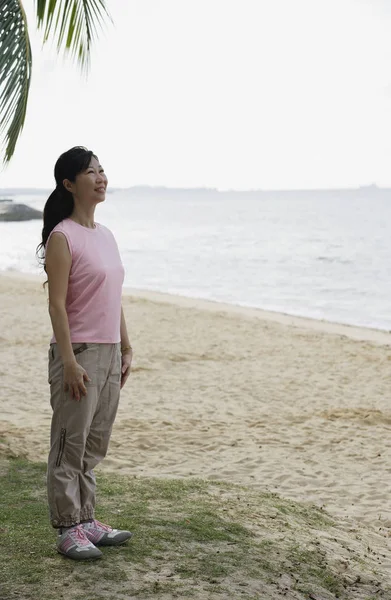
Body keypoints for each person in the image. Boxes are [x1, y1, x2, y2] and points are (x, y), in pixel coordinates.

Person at [36, 146, 133, 560]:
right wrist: (71, 363)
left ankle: (88, 520)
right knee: (68, 443)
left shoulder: (106, 234)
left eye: (102, 170)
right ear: (69, 183)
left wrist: (126, 345)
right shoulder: (62, 236)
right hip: (78, 353)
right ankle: (67, 528)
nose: (100, 177)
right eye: (91, 172)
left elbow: (115, 295)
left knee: (95, 443)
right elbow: (57, 305)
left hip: (109, 352)